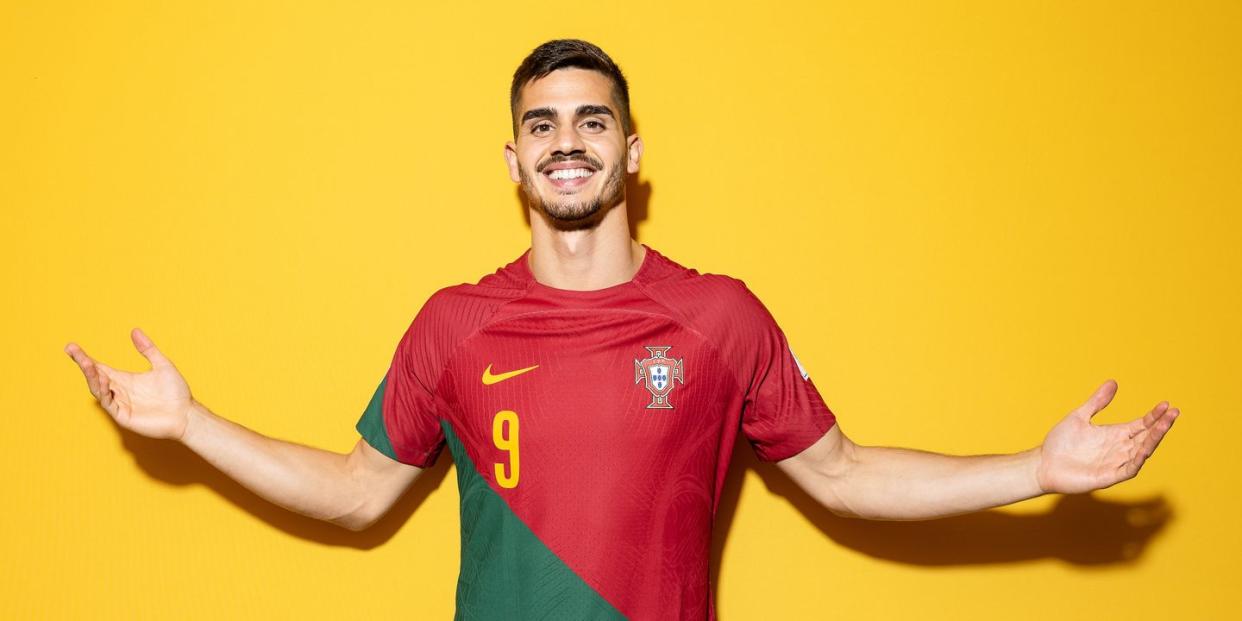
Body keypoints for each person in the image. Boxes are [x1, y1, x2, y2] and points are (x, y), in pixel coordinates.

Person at [64, 39, 1180, 620]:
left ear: (631, 151)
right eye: (541, 125)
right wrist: (191, 424)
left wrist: (1036, 468)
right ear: (512, 161)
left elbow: (842, 476)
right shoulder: (456, 325)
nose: (567, 141)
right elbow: (356, 494)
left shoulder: (719, 316)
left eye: (592, 120)